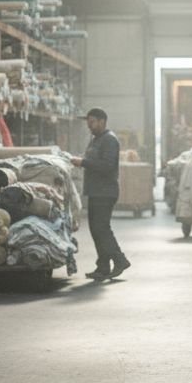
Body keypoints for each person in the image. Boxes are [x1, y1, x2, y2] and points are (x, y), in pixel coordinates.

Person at [71, 107, 129, 280]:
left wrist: (83, 162)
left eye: (92, 122)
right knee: (96, 230)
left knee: (101, 228)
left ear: (102, 121)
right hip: (95, 191)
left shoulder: (109, 140)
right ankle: (103, 267)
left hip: (105, 191)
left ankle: (120, 260)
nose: (89, 126)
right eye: (88, 123)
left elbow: (107, 166)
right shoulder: (96, 140)